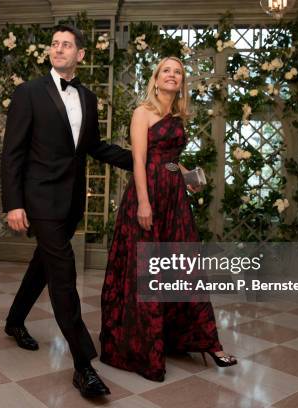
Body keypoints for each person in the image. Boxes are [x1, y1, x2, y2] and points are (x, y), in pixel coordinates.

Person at [0, 25, 133, 398]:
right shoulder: (28, 93)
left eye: (67, 45)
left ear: (81, 55)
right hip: (39, 198)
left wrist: (140, 159)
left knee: (44, 264)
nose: (59, 49)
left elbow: (95, 147)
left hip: (71, 201)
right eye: (54, 44)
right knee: (63, 274)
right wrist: (13, 202)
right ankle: (83, 364)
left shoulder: (87, 98)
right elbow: (12, 153)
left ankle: (14, 322)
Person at [99, 57, 237, 382]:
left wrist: (189, 175)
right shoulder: (142, 112)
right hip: (148, 198)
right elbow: (140, 161)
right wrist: (144, 204)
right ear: (156, 79)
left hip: (175, 199)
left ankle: (207, 341)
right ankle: (146, 348)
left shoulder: (177, 115)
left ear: (181, 82)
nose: (172, 75)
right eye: (167, 71)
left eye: (178, 72)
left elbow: (169, 162)